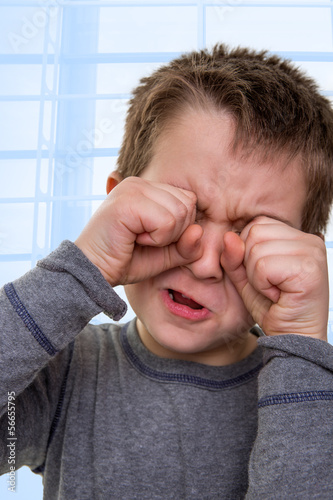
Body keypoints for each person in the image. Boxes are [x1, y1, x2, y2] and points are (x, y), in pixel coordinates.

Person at [1, 44, 333, 499]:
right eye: (185, 212)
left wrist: (300, 345)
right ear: (120, 201)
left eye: (253, 233)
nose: (205, 263)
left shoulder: (315, 398)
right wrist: (83, 268)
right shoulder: (64, 374)